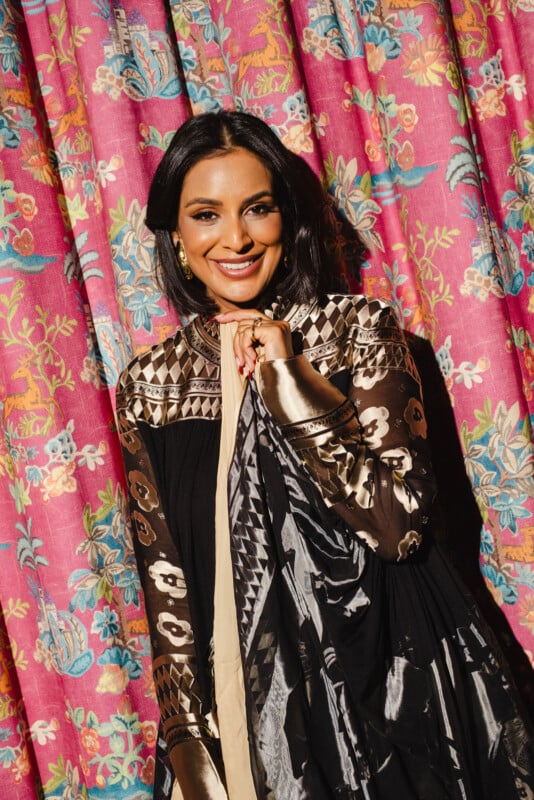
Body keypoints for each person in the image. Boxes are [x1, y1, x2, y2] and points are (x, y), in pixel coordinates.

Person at [116, 110, 534, 800]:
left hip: (398, 699)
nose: (237, 238)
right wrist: (188, 740)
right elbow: (167, 583)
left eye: (257, 209)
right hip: (252, 721)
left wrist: (290, 382)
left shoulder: (357, 332)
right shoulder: (151, 387)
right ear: (178, 239)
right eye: (206, 215)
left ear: (289, 219)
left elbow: (399, 528)